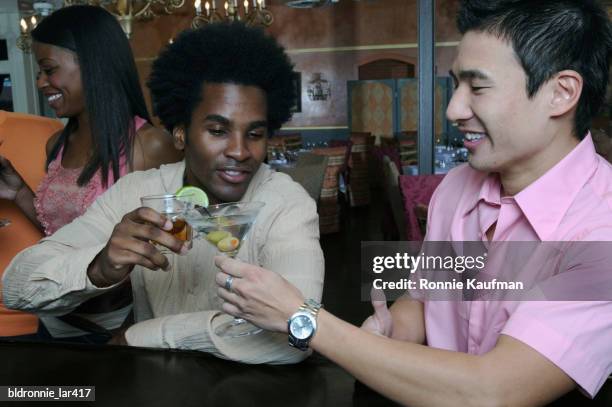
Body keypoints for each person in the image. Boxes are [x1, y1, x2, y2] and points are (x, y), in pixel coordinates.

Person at [211, 0, 612, 404]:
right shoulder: (456, 188)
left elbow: (493, 391)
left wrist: (304, 319)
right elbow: (424, 298)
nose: (454, 109)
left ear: (561, 94)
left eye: (478, 87)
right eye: (456, 84)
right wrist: (390, 331)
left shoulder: (602, 231)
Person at [3, 22, 324, 364]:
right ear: (181, 133)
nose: (240, 151)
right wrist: (99, 267)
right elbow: (17, 287)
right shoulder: (139, 193)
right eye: (218, 130)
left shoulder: (287, 205)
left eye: (255, 134)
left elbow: (297, 334)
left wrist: (140, 336)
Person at [0, 5, 182, 342]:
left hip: (117, 326)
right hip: (53, 318)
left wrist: (141, 328)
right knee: (51, 398)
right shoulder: (56, 142)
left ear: (93, 64)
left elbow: (178, 251)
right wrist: (19, 193)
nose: (41, 83)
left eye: (48, 69)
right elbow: (66, 237)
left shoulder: (150, 145)